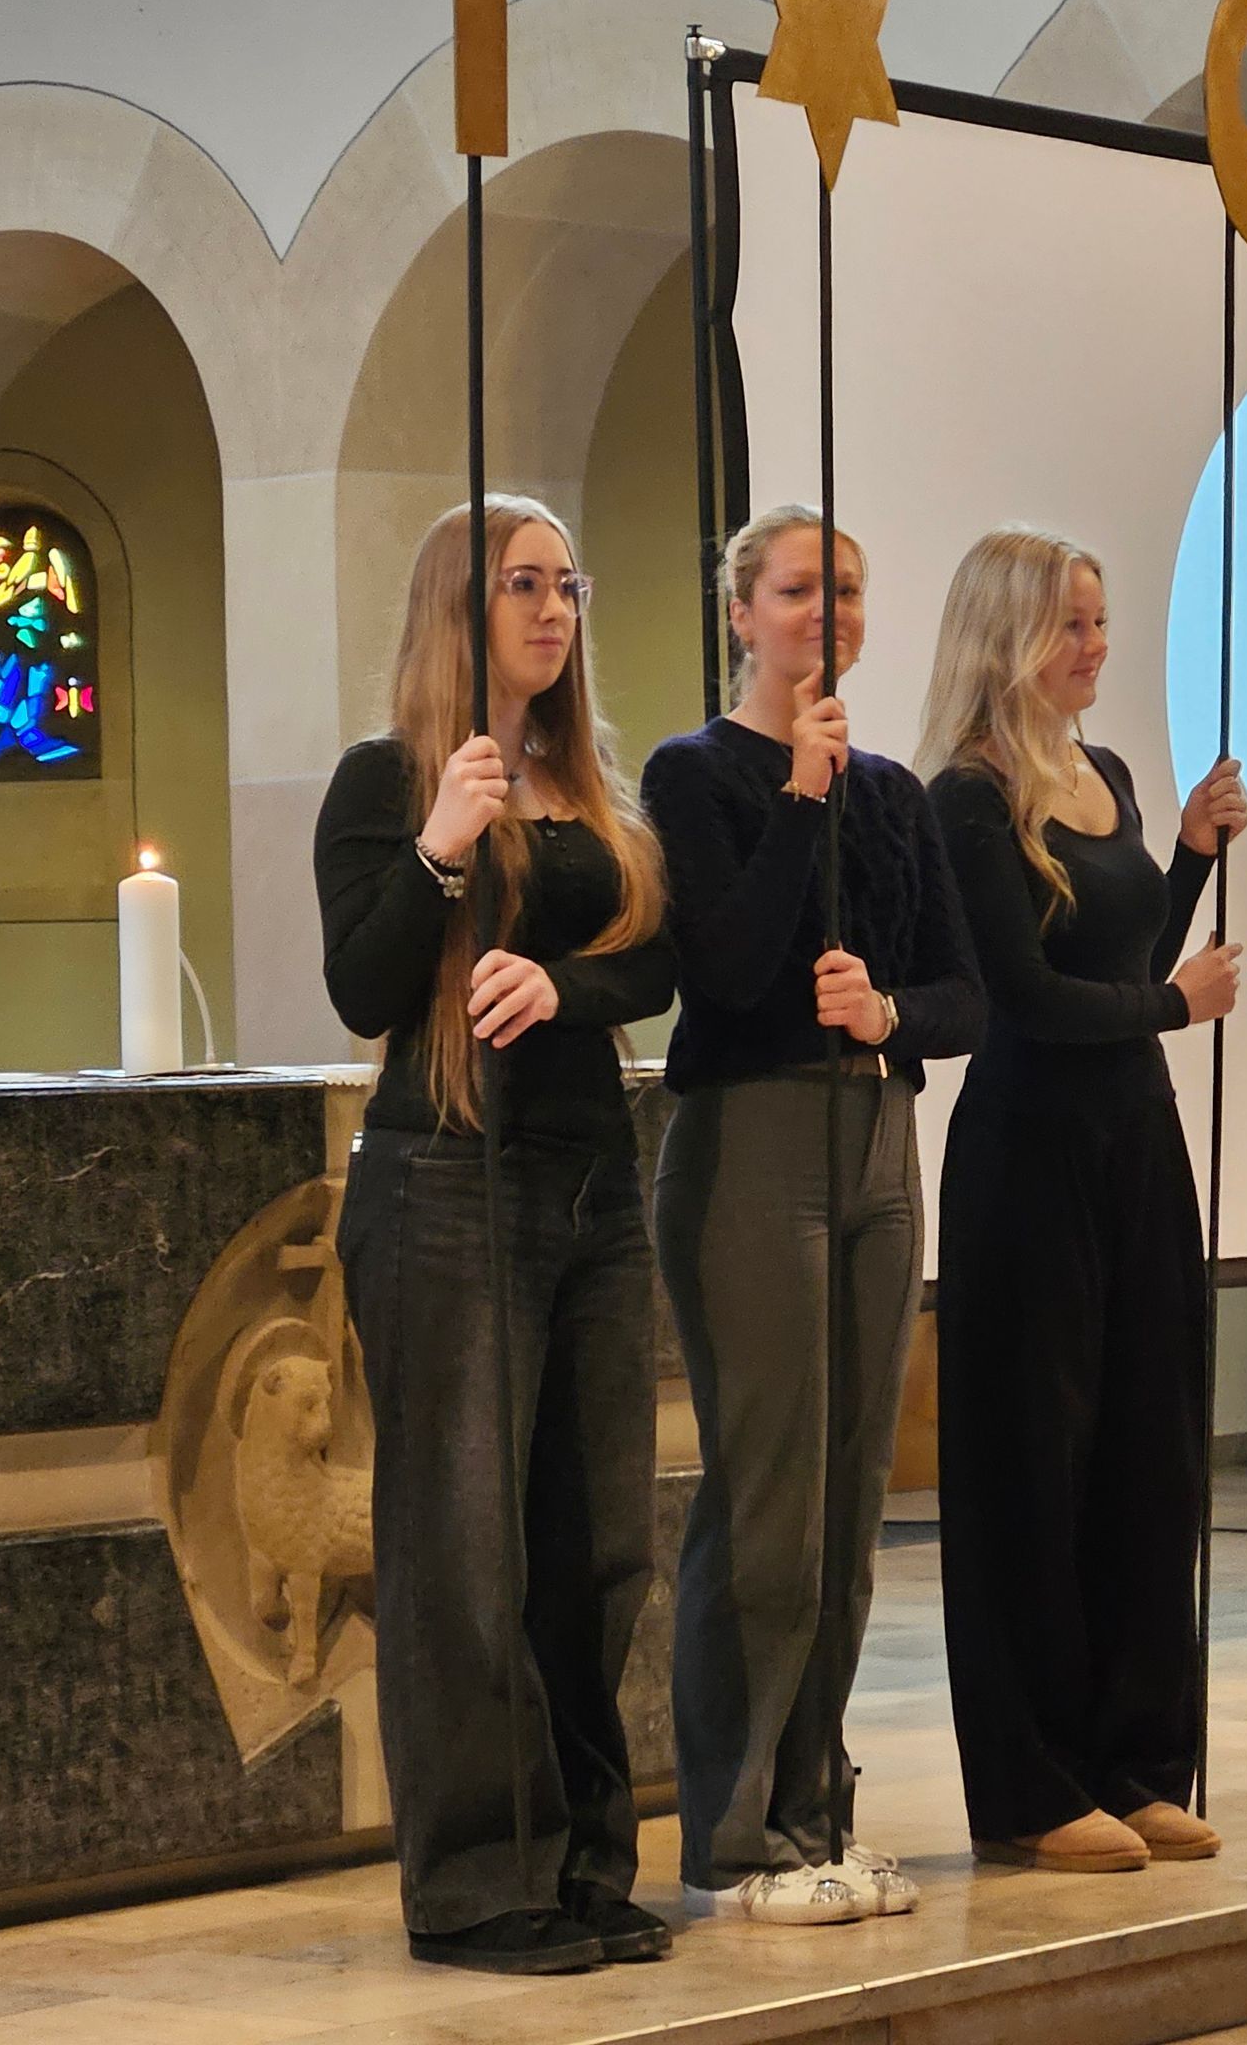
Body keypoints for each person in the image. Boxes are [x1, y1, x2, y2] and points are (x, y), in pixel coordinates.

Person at [314, 494, 675, 1977]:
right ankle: (476, 1884)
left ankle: (585, 1863)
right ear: (456, 610)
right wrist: (443, 850)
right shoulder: (389, 782)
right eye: (522, 585)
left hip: (592, 1188)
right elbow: (363, 984)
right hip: (448, 1189)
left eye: (567, 585)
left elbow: (653, 960)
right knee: (463, 1554)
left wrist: (564, 989)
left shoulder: (589, 783)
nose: (552, 611)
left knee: (597, 1549)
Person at [641, 505, 984, 1927]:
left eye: (844, 589)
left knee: (850, 1505)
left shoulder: (894, 794)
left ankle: (813, 1810)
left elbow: (966, 995)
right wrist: (796, 791)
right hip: (753, 1139)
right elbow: (721, 971)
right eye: (796, 591)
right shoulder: (695, 772)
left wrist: (889, 1010)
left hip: (879, 1138)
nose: (825, 612)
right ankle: (732, 1835)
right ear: (742, 613)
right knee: (772, 1496)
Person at [919, 527, 1247, 1875]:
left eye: (1102, 622)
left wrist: (1190, 859)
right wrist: (1177, 1005)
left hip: (1135, 1144)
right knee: (1031, 1471)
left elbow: (1127, 956)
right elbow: (1031, 1000)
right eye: (1072, 625)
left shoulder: (1104, 773)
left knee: (1148, 1456)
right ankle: (1034, 1785)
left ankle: (1139, 1764)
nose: (1097, 647)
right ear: (1007, 636)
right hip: (1027, 1156)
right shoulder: (966, 796)